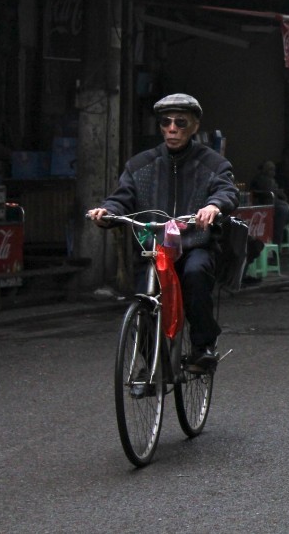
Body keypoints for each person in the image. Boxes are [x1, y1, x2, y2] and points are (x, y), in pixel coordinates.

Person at [87, 93, 239, 370]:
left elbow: (226, 190)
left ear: (194, 126)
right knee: (143, 301)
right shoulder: (139, 165)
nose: (172, 129)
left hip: (195, 243)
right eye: (166, 122)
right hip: (153, 248)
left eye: (180, 122)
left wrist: (213, 206)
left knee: (195, 273)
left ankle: (202, 345)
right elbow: (122, 198)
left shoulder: (213, 163)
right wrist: (106, 213)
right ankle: (155, 365)